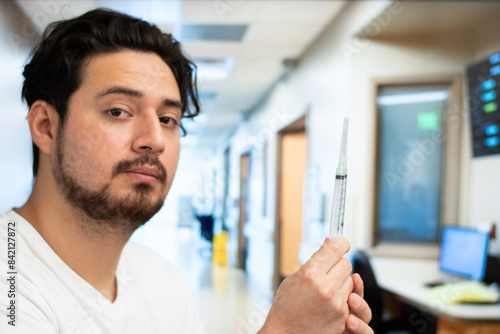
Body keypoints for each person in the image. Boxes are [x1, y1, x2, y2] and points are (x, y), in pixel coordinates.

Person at [0, 9, 373, 334]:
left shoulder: (163, 282)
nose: (154, 140)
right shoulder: (12, 281)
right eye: (118, 111)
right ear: (46, 127)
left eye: (168, 119)